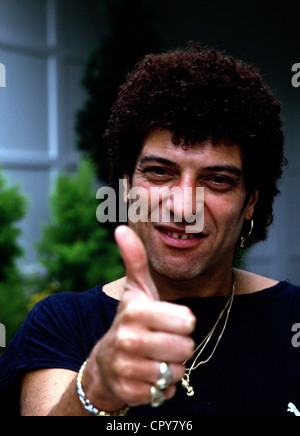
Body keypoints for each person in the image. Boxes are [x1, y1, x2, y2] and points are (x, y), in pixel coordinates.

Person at [0, 42, 299, 417]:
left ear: (250, 200)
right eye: (159, 172)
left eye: (218, 179)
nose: (183, 206)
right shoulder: (63, 323)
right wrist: (96, 390)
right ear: (127, 188)